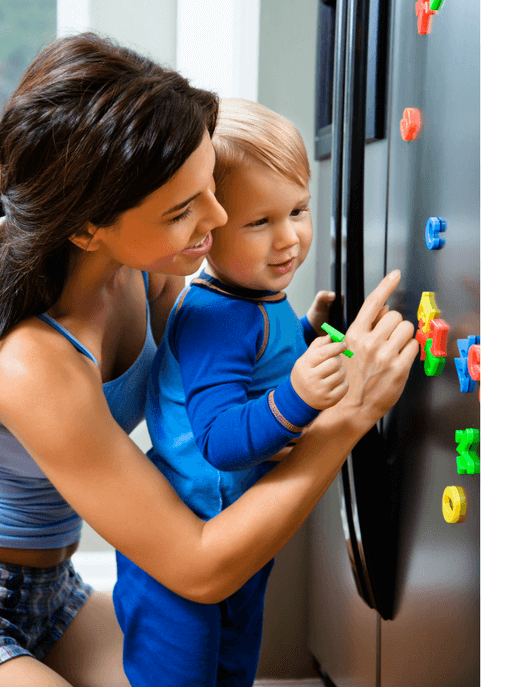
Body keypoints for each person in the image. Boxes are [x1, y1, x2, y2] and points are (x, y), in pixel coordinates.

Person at [0, 32, 419, 687]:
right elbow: (198, 565)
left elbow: (227, 380)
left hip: (57, 595)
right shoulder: (32, 362)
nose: (217, 217)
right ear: (87, 229)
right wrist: (346, 420)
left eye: (210, 190)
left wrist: (311, 349)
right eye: (183, 210)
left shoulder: (150, 277)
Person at [113, 98, 354, 686]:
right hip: (179, 539)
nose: (289, 239)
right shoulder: (216, 318)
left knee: (233, 666)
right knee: (183, 676)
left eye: (297, 209)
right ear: (206, 232)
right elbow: (220, 438)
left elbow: (258, 371)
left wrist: (304, 334)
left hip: (231, 527)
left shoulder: (256, 295)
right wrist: (299, 396)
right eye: (259, 222)